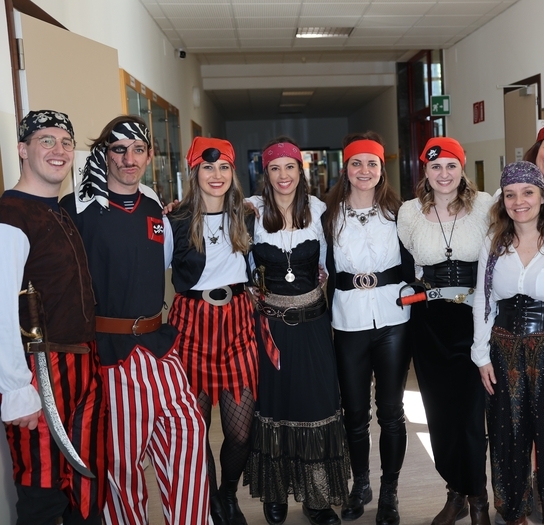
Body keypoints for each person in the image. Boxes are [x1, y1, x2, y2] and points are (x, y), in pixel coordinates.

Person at [62, 115, 210, 525]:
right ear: (104, 153)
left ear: (149, 155)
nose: (129, 159)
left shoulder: (152, 204)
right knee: (121, 464)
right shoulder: (76, 208)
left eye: (138, 150)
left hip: (159, 347)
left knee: (188, 434)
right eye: (119, 149)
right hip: (109, 356)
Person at [0, 110, 106, 525]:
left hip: (82, 365)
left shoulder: (59, 210)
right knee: (42, 493)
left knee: (85, 492)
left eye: (65, 142)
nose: (58, 150)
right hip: (40, 372)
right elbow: (2, 308)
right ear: (22, 149)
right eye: (46, 140)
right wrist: (16, 389)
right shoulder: (11, 215)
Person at [472, 160, 544, 525]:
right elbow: (483, 301)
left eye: (527, 192)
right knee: (507, 437)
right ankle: (513, 512)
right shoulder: (493, 245)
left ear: (542, 197)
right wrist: (481, 355)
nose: (518, 201)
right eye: (510, 195)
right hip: (503, 351)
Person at [244, 136, 349, 525]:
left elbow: (330, 264)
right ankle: (276, 494)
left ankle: (317, 498)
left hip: (313, 327)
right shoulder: (251, 212)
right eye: (275, 168)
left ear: (300, 171)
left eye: (289, 167)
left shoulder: (319, 210)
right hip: (271, 331)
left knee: (316, 406)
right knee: (274, 407)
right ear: (265, 174)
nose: (283, 175)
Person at [397, 137, 492, 525]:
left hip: (474, 320)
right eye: (435, 167)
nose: (444, 174)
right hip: (430, 323)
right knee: (439, 414)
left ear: (462, 169)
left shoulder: (485, 205)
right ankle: (455, 493)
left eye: (451, 165)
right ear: (425, 171)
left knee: (470, 414)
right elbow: (410, 263)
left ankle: (479, 498)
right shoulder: (409, 213)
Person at [167, 137, 258, 525]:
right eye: (207, 167)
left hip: (237, 323)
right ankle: (209, 500)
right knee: (196, 427)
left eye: (223, 167)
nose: (216, 175)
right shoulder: (174, 220)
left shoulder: (247, 215)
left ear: (232, 172)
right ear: (195, 172)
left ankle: (227, 494)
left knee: (240, 432)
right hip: (192, 324)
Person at [323, 132, 412, 525]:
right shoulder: (327, 215)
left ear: (381, 169)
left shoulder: (401, 213)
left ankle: (390, 490)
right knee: (354, 412)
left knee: (391, 411)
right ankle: (360, 484)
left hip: (394, 320)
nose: (364, 170)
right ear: (346, 169)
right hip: (348, 322)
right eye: (356, 163)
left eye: (371, 163)